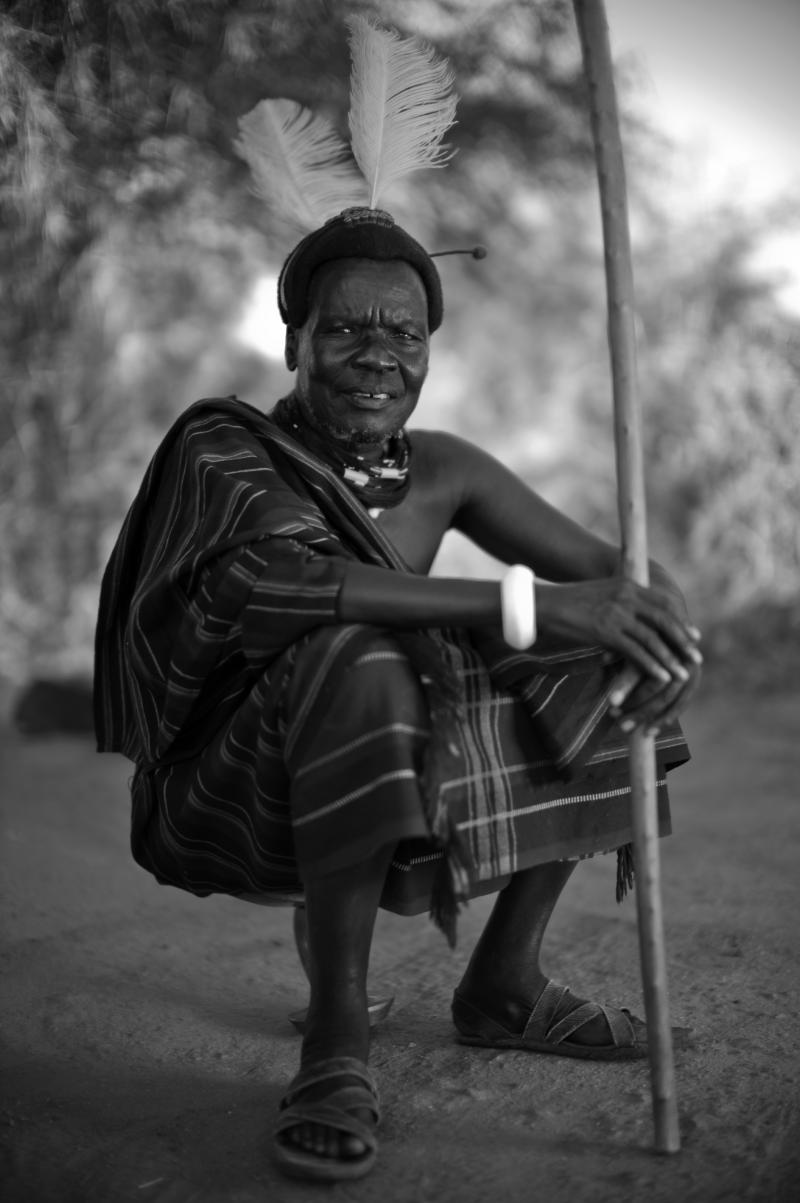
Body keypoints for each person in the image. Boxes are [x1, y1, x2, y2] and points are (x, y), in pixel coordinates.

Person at [94, 206, 701, 1183]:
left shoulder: (444, 469)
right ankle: (335, 1038)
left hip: (403, 752)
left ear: (428, 352)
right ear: (292, 340)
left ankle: (503, 981)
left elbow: (605, 568)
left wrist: (653, 613)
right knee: (360, 651)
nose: (378, 354)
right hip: (245, 781)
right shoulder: (225, 455)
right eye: (344, 328)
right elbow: (284, 588)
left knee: (601, 646)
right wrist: (534, 604)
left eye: (403, 334)